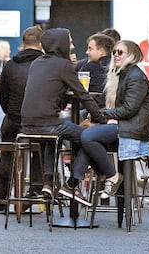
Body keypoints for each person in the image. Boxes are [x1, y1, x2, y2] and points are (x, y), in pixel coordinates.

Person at [21, 27, 101, 205]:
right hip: (47, 123)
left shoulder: (37, 63)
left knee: (54, 139)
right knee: (88, 136)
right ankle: (72, 183)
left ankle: (48, 183)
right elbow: (83, 95)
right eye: (69, 42)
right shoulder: (63, 65)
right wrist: (100, 117)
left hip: (26, 124)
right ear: (60, 44)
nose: (72, 47)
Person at [78, 39, 149, 203]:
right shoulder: (124, 74)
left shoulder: (135, 77)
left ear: (132, 55)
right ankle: (75, 182)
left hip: (132, 129)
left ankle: (112, 176)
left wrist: (102, 114)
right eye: (114, 52)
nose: (116, 55)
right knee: (84, 135)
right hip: (123, 125)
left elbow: (129, 109)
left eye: (120, 52)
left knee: (88, 136)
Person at [0, 25, 44, 211]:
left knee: (7, 154)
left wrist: (12, 113)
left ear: (23, 43)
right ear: (41, 43)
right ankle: (35, 192)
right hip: (38, 122)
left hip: (13, 119)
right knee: (42, 149)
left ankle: (1, 199)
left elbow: (3, 98)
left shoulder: (10, 65)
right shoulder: (45, 64)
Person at [76, 33, 114, 102]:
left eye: (90, 49)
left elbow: (76, 89)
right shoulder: (117, 67)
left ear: (101, 51)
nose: (87, 52)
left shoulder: (89, 67)